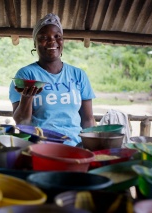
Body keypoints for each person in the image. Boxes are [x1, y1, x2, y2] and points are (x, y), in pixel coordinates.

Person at [9, 13, 96, 146]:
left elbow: (88, 120)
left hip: (75, 146)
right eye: (44, 37)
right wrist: (26, 98)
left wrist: (92, 146)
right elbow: (22, 123)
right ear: (35, 42)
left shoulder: (78, 75)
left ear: (63, 41)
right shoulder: (26, 75)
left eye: (57, 36)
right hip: (39, 145)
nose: (52, 41)